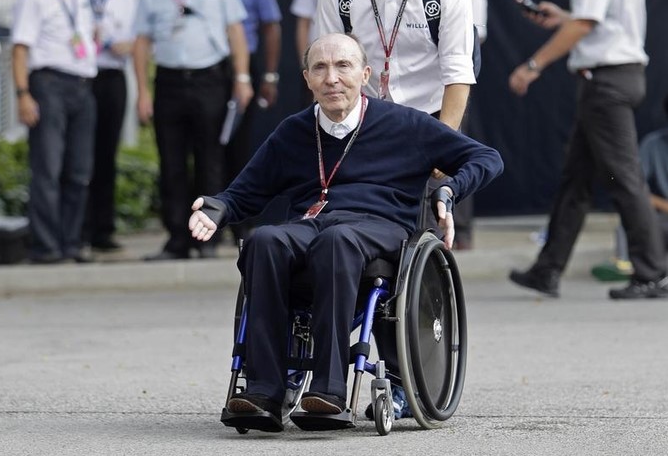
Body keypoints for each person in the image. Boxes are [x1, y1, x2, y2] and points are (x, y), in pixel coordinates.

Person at [188, 33, 503, 432]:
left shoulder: (403, 124)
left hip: (378, 227)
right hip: (311, 225)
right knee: (264, 239)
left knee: (337, 241)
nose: (332, 78)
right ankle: (264, 389)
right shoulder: (293, 131)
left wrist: (449, 189)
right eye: (320, 68)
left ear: (364, 74)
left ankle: (330, 390)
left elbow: (485, 157)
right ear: (307, 79)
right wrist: (216, 209)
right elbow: (245, 192)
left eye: (343, 66)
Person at [314, 0, 477, 418]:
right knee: (350, 241)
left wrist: (439, 152)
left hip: (426, 123)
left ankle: (411, 380)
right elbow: (325, 70)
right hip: (359, 128)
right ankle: (330, 373)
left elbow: (458, 74)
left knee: (416, 251)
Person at [508, 0, 668, 300]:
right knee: (575, 180)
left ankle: (652, 272)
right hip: (615, 79)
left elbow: (585, 25)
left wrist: (533, 64)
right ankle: (548, 270)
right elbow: (596, 23)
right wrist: (561, 18)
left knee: (624, 179)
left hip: (606, 83)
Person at [133, 0, 253, 261]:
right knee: (171, 161)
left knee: (210, 160)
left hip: (210, 79)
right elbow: (141, 42)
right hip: (170, 81)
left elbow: (236, 32)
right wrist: (143, 91)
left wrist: (242, 78)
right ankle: (176, 238)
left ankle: (207, 237)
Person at [11, 0, 97, 264]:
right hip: (48, 85)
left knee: (79, 171)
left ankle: (71, 243)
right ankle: (46, 246)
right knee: (47, 169)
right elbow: (19, 50)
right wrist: (23, 95)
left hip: (82, 86)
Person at [209, 0, 282, 243]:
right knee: (209, 144)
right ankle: (207, 218)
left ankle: (239, 221)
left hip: (245, 67)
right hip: (208, 66)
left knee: (240, 145)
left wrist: (268, 73)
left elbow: (270, 26)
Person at [421, 0, 488, 249]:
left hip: (455, 84)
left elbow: (469, 47)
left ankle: (461, 227)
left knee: (454, 154)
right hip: (418, 88)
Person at [82, 0, 136, 252]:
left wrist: (119, 45)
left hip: (112, 75)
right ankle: (78, 229)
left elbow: (137, 41)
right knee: (78, 158)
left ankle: (103, 229)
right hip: (81, 77)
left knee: (105, 155)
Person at [591, 93, 668, 281]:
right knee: (634, 215)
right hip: (663, 218)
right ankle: (625, 264)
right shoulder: (654, 144)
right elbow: (632, 187)